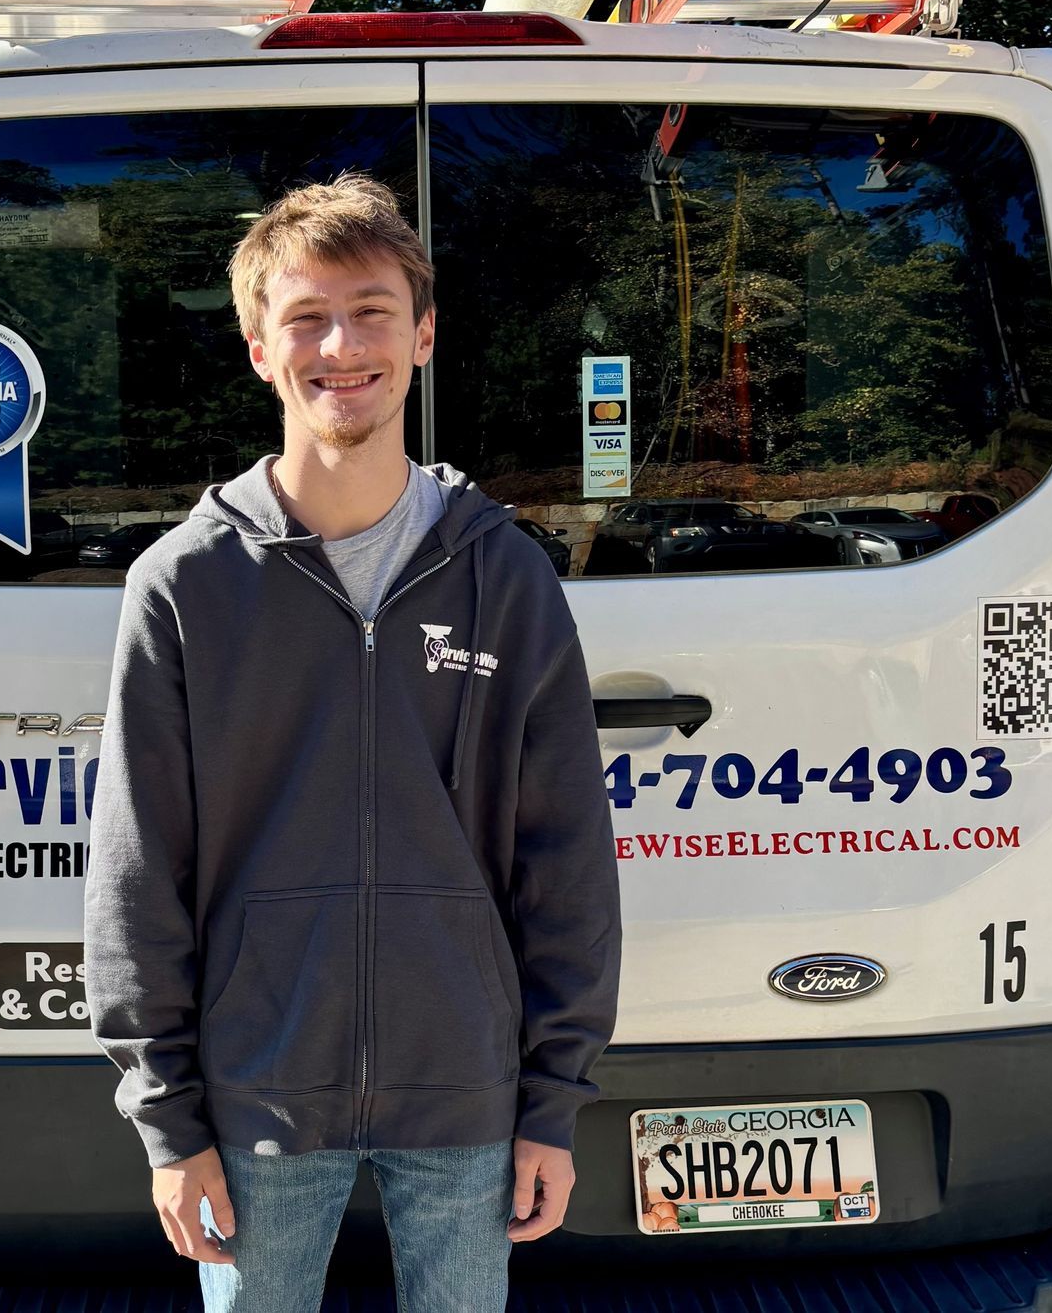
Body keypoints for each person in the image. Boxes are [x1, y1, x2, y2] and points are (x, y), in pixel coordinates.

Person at [85, 172, 621, 1312]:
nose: (343, 344)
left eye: (373, 309)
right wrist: (168, 1121)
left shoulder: (505, 576)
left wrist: (550, 1102)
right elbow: (138, 874)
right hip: (256, 1096)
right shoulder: (183, 585)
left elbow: (566, 857)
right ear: (256, 344)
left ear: (422, 335)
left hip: (468, 1097)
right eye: (307, 316)